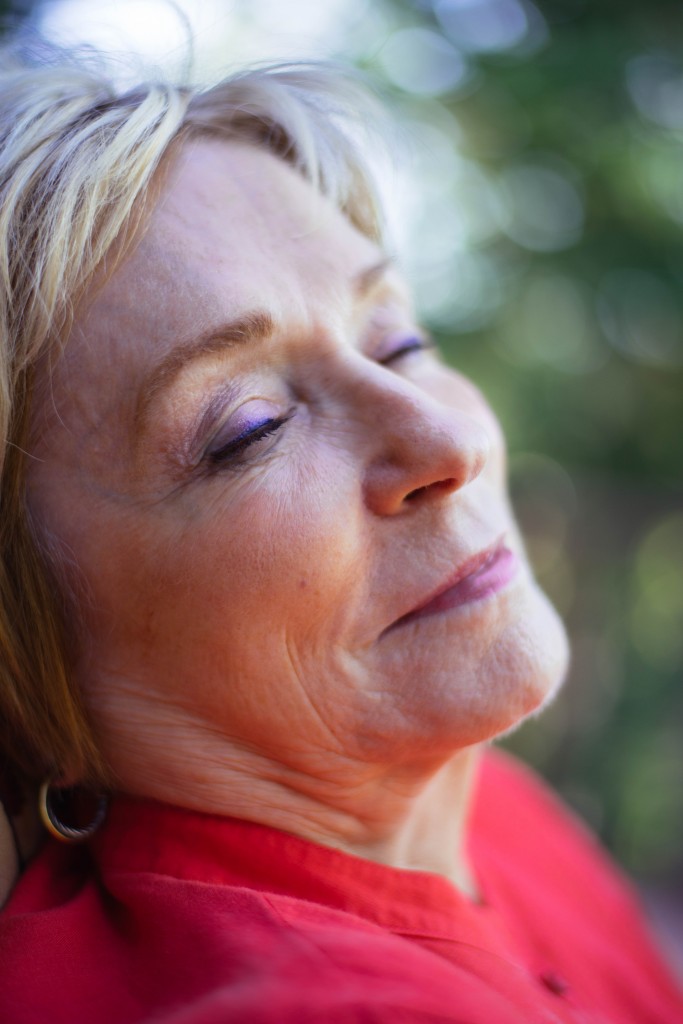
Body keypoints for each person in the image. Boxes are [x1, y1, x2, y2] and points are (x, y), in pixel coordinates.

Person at [0, 40, 681, 1024]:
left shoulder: (475, 806)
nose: (446, 441)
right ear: (28, 669)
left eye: (396, 340)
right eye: (250, 429)